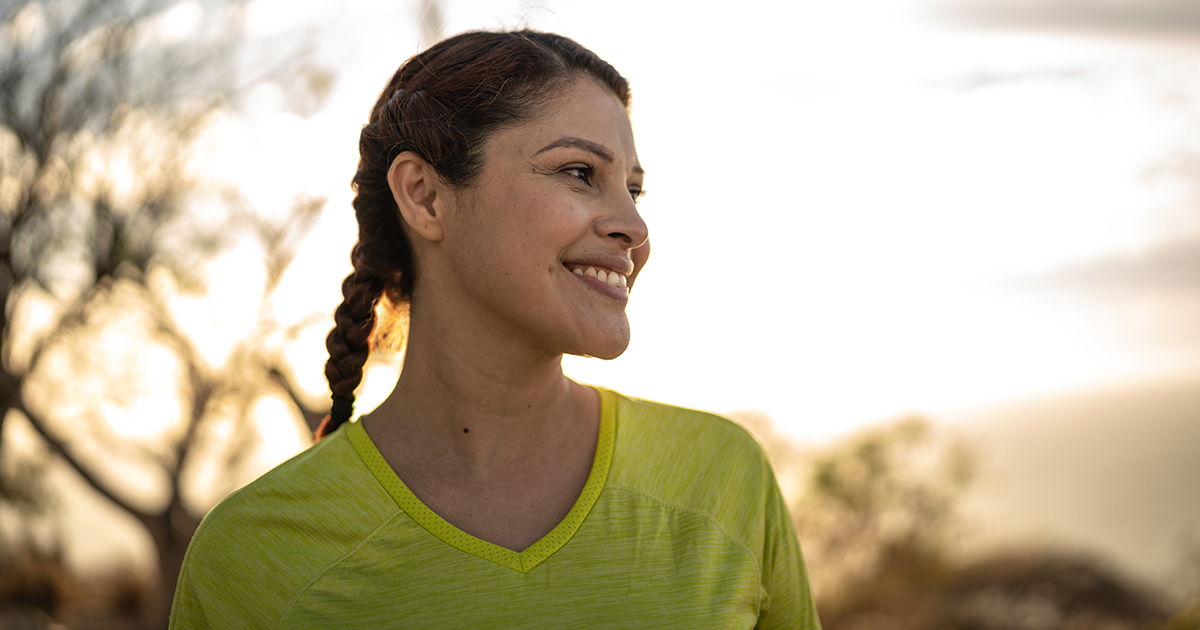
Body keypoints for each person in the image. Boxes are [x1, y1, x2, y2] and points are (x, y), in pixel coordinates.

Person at [170, 29, 821, 629]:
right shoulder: (255, 552)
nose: (635, 228)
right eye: (579, 173)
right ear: (424, 195)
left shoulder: (721, 479)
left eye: (634, 190)